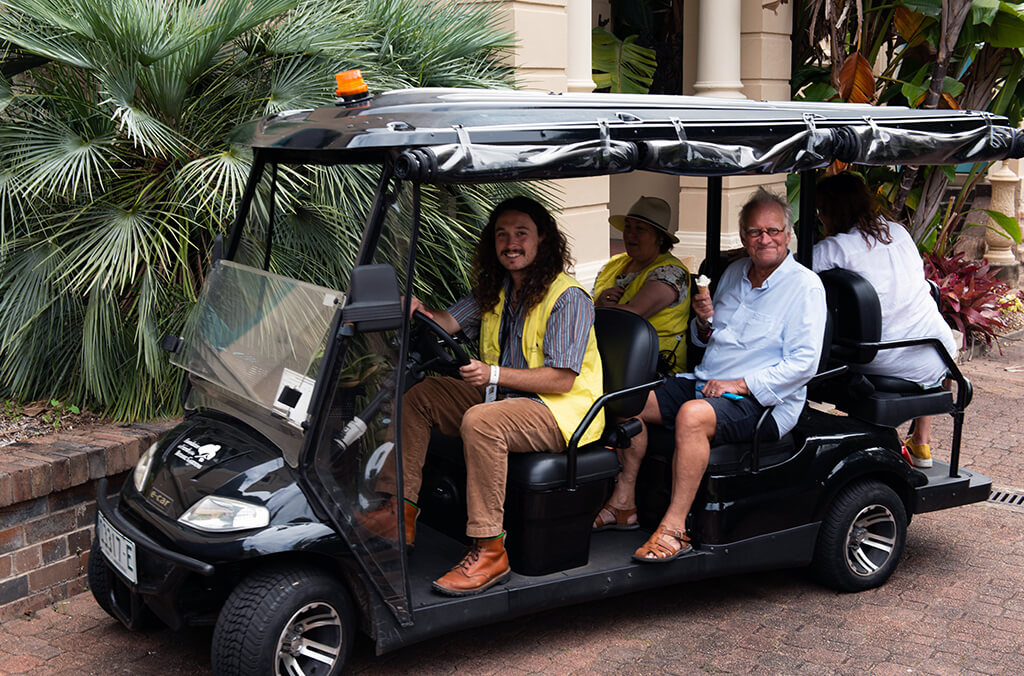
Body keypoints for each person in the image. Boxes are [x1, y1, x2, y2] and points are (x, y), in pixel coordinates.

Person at [360, 195, 604, 596]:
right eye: (502, 235)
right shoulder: (496, 290)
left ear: (542, 239)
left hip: (560, 411)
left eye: (521, 234)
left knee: (481, 421)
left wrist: (492, 373)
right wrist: (418, 311)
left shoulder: (567, 297)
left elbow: (561, 379)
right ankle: (397, 512)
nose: (511, 243)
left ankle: (490, 548)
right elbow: (447, 323)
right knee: (419, 396)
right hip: (503, 399)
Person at [593, 188, 826, 562]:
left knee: (693, 415)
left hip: (764, 401)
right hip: (706, 382)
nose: (764, 239)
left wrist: (739, 384)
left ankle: (675, 527)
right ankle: (625, 502)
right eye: (754, 232)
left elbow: (803, 364)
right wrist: (704, 322)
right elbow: (710, 340)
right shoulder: (734, 273)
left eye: (773, 230)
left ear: (787, 234)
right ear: (744, 237)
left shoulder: (805, 287)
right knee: (626, 397)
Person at [813, 172, 957, 468]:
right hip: (938, 351)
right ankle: (921, 443)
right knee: (922, 331)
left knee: (820, 357)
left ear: (830, 212)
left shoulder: (836, 247)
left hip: (883, 357)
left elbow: (791, 272)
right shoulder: (898, 232)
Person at [593, 196, 690, 375]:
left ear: (660, 238)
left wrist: (597, 310)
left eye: (640, 229)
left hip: (652, 367)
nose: (630, 234)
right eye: (628, 227)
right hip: (607, 356)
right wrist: (598, 303)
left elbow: (635, 314)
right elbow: (592, 302)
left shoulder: (671, 272)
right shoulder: (615, 263)